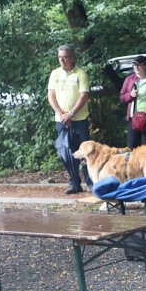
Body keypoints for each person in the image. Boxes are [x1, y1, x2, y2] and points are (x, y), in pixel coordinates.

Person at [46, 44, 90, 194]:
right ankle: (74, 182)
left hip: (79, 119)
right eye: (59, 57)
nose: (61, 60)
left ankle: (90, 181)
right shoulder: (55, 73)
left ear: (72, 57)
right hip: (61, 120)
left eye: (64, 57)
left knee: (84, 152)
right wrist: (62, 114)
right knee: (66, 152)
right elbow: (51, 96)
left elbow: (83, 96)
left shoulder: (80, 73)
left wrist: (70, 114)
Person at [118, 56, 146, 148]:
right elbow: (122, 97)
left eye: (139, 65)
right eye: (134, 65)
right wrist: (130, 95)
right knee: (132, 146)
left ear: (145, 66)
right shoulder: (129, 79)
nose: (136, 67)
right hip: (133, 117)